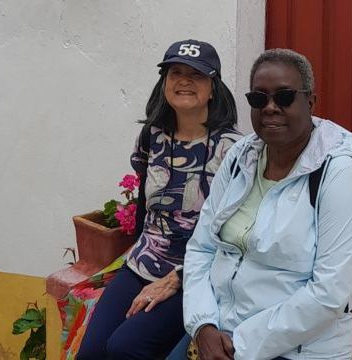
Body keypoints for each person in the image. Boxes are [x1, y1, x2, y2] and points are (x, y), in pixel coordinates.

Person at [171, 48, 352, 360]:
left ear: (310, 102)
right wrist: (203, 325)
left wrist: (241, 343)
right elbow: (202, 247)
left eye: (284, 97)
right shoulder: (241, 157)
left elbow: (329, 294)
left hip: (297, 349)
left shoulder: (337, 176)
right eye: (258, 98)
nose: (270, 108)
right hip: (219, 331)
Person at [76, 39, 241, 360]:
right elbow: (143, 207)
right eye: (175, 72)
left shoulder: (233, 150)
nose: (184, 81)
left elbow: (235, 233)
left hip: (197, 275)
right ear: (163, 84)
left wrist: (177, 279)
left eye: (196, 75)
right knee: (91, 353)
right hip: (142, 264)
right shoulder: (153, 136)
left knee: (125, 348)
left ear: (213, 88)